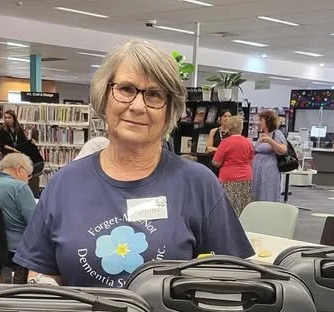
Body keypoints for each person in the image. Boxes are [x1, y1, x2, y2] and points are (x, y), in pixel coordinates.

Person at [15, 39, 253, 288]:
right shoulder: (65, 184)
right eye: (126, 89)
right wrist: (44, 287)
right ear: (104, 97)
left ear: (169, 109)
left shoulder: (198, 183)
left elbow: (232, 277)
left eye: (154, 94)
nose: (138, 106)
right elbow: (41, 271)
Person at [0, 152, 36, 279]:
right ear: (19, 169)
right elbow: (35, 223)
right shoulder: (20, 188)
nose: (28, 179)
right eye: (28, 175)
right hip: (19, 250)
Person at [212, 115, 254, 216]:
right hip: (246, 178)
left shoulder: (225, 143)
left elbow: (216, 162)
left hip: (228, 178)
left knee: (228, 207)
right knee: (243, 206)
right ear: (241, 127)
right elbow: (251, 160)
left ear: (229, 128)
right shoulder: (248, 142)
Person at [252, 109, 288, 202]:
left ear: (268, 121)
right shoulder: (262, 135)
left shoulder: (277, 134)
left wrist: (270, 141)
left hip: (269, 170)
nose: (259, 123)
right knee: (257, 193)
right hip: (258, 170)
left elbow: (283, 150)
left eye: (261, 120)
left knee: (267, 193)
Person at [205, 109, 232, 173]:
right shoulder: (213, 131)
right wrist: (223, 150)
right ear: (220, 118)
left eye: (229, 116)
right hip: (214, 162)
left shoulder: (232, 133)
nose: (227, 118)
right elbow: (208, 149)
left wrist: (216, 149)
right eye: (225, 116)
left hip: (227, 163)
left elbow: (232, 150)